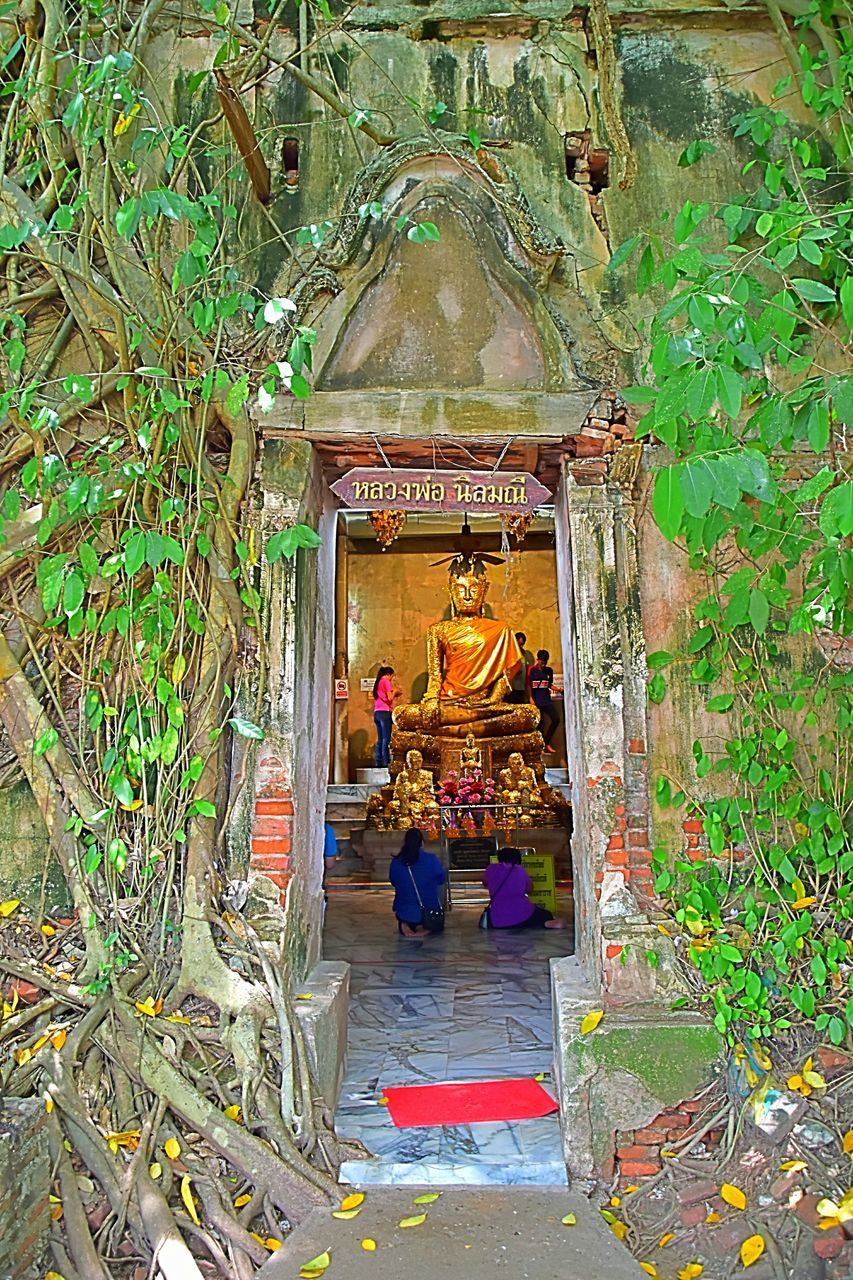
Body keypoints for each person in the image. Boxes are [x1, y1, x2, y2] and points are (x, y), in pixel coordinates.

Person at [482, 846, 565, 930]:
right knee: (546, 914)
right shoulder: (520, 870)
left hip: (497, 920)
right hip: (523, 914)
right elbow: (530, 889)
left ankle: (540, 924)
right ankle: (545, 923)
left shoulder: (490, 869)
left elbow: (485, 883)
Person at [389, 828, 446, 938]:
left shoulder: (396, 862)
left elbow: (393, 881)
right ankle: (425, 926)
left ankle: (406, 923)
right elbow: (441, 879)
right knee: (436, 887)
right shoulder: (431, 859)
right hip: (430, 911)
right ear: (422, 843)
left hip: (404, 911)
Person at [528, 649, 560, 754]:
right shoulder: (531, 670)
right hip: (537, 701)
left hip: (546, 699)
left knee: (556, 719)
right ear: (538, 660)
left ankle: (547, 742)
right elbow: (528, 685)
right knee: (540, 724)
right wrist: (531, 698)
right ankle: (541, 747)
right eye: (542, 662)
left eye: (545, 663)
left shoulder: (548, 671)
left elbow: (549, 684)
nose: (543, 665)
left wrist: (559, 689)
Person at [372, 665, 397, 767]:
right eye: (392, 676)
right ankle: (386, 762)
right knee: (386, 738)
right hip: (385, 712)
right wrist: (395, 692)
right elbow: (390, 698)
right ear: (388, 674)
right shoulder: (386, 682)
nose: (391, 678)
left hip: (377, 712)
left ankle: (378, 761)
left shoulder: (377, 683)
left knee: (380, 738)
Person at [507, 632, 534, 704]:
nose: (520, 646)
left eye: (522, 644)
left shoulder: (525, 654)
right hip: (511, 688)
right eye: (519, 644)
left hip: (522, 688)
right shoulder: (509, 653)